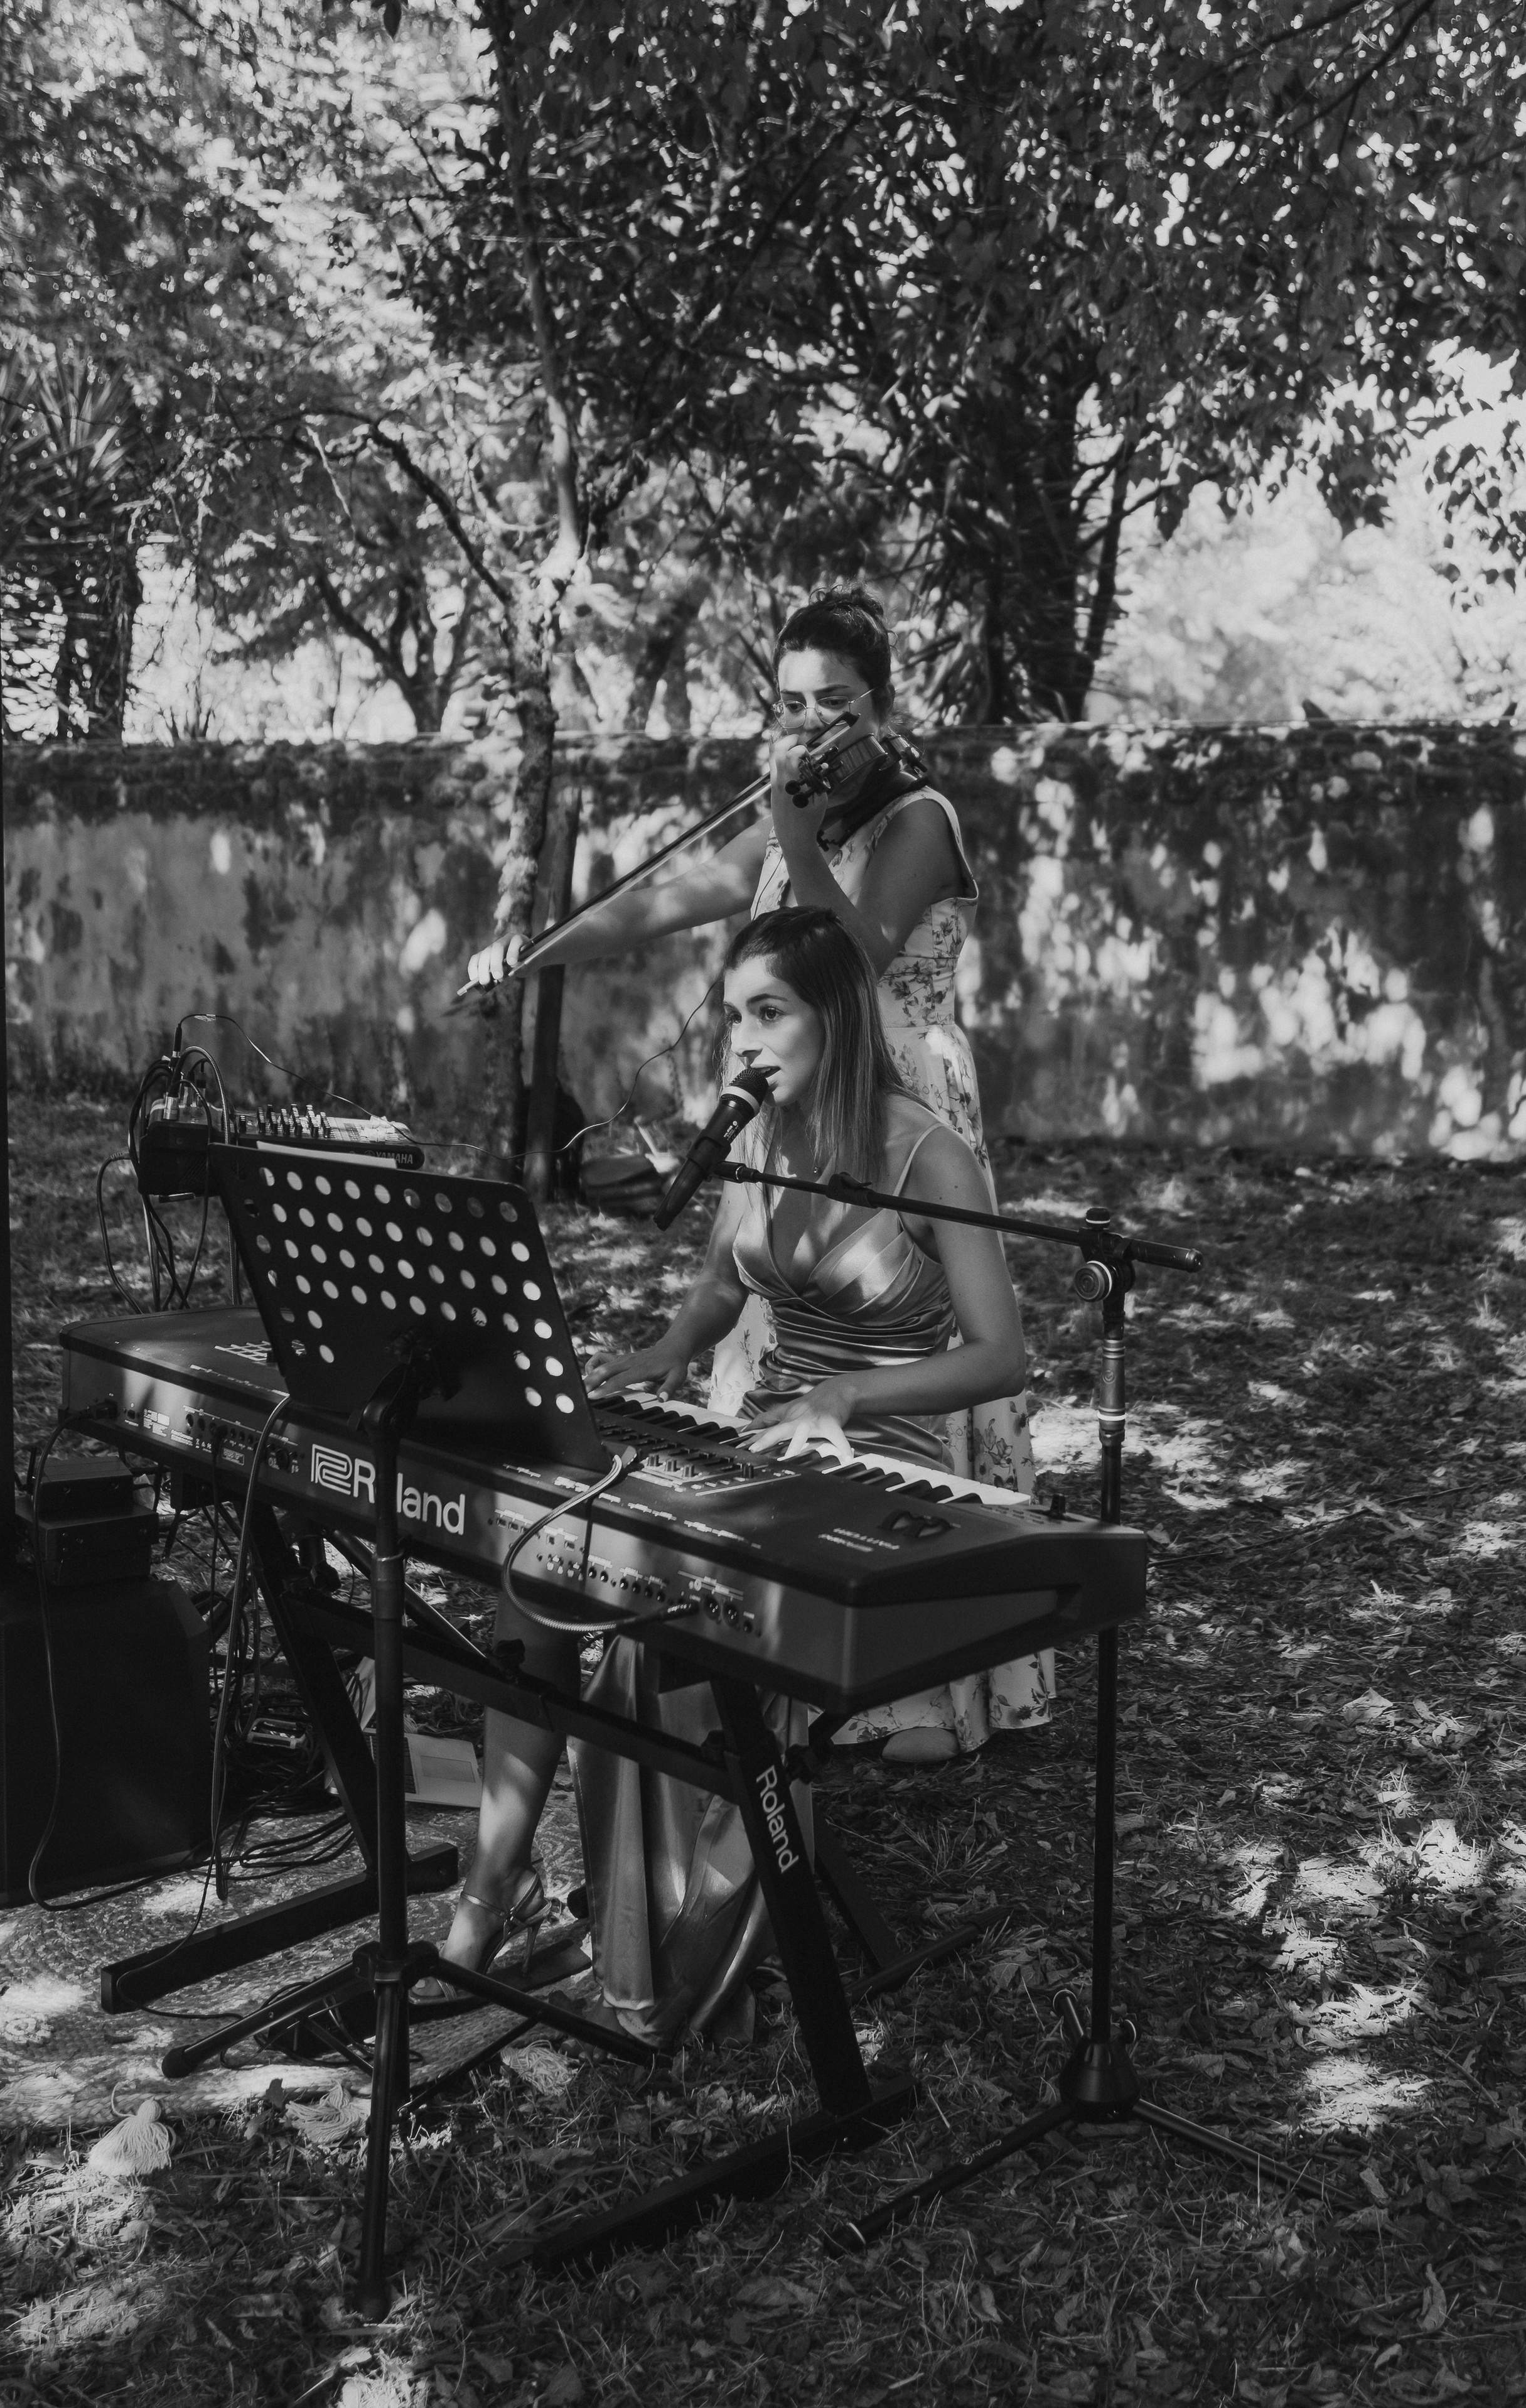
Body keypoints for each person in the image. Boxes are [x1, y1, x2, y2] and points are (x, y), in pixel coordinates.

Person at [466, 586, 1051, 1758]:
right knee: (767, 1316)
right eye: (790, 705)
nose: (812, 725)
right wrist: (529, 954)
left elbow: (847, 957)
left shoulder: (916, 816)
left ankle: (945, 1666)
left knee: (916, 1333)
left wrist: (790, 831)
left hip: (900, 1100)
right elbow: (662, 904)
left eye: (835, 704)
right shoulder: (801, 812)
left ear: (880, 709)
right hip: (795, 1094)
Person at [443, 911, 1031, 2038]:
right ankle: (487, 1897)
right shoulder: (757, 1140)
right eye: (733, 1018)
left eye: (770, 1014)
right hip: (760, 1437)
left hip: (875, 1460)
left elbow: (999, 1353)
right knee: (554, 1565)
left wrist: (850, 1398)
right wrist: (665, 1350)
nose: (743, 1044)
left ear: (839, 1019)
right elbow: (722, 1287)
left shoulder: (926, 1153)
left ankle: (675, 1940)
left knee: (652, 1622)